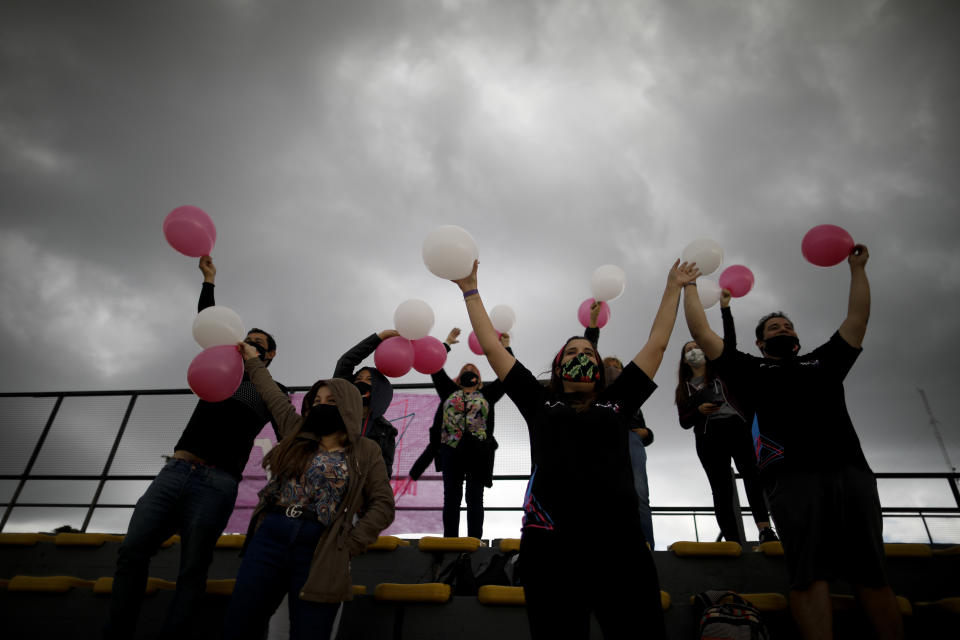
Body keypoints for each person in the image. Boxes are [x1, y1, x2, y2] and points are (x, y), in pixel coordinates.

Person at [451, 258, 697, 639]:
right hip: (550, 548)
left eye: (587, 352)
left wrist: (673, 287)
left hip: (620, 547)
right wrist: (470, 289)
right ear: (558, 366)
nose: (579, 356)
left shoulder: (618, 402)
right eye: (570, 353)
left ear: (599, 368)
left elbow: (658, 344)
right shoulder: (538, 401)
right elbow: (491, 347)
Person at [682, 244, 903, 640]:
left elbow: (857, 319)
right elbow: (702, 332)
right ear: (762, 343)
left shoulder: (824, 362)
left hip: (851, 473)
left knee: (872, 574)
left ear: (797, 339)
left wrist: (857, 269)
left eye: (787, 327)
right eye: (773, 329)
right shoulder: (751, 370)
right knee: (808, 576)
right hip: (792, 480)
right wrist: (690, 286)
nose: (782, 330)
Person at [105, 256, 290, 640]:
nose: (247, 346)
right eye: (246, 341)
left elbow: (289, 428)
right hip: (176, 470)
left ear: (269, 355)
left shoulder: (271, 389)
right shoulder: (218, 368)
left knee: (192, 568)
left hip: (217, 483)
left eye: (257, 344)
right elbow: (210, 323)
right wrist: (209, 281)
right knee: (132, 550)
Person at [224, 342, 395, 640]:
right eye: (316, 399)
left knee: (310, 631)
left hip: (322, 546)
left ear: (348, 405)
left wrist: (350, 543)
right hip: (270, 536)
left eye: (330, 400)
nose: (320, 404)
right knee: (241, 624)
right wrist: (254, 363)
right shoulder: (296, 430)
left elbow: (382, 504)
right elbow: (274, 396)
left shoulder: (366, 449)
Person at [676, 289, 776, 545]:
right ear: (684, 359)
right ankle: (732, 539)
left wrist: (725, 309)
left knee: (752, 477)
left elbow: (728, 343)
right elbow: (684, 421)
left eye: (697, 346)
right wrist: (698, 411)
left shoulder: (722, 370)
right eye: (689, 349)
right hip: (709, 437)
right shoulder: (684, 388)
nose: (694, 350)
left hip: (737, 428)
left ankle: (765, 529)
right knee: (721, 488)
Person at [411, 328, 512, 539]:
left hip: (479, 453)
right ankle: (450, 542)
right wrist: (446, 343)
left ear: (479, 378)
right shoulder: (448, 391)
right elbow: (434, 367)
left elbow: (507, 375)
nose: (469, 371)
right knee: (452, 499)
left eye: (473, 370)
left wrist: (505, 348)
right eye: (465, 369)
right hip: (451, 451)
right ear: (459, 378)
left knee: (475, 498)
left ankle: (474, 542)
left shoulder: (487, 394)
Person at [584, 302, 657, 549]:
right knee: (598, 490)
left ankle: (645, 544)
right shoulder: (595, 387)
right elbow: (590, 353)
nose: (612, 368)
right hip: (600, 436)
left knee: (638, 491)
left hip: (630, 438)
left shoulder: (630, 394)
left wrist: (647, 433)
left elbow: (643, 426)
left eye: (617, 365)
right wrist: (592, 326)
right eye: (608, 365)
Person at [334, 330, 401, 478]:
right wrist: (379, 338)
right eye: (358, 379)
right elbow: (345, 362)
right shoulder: (338, 413)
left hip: (362, 492)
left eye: (369, 380)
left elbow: (384, 473)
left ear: (379, 390)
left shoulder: (386, 430)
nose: (362, 382)